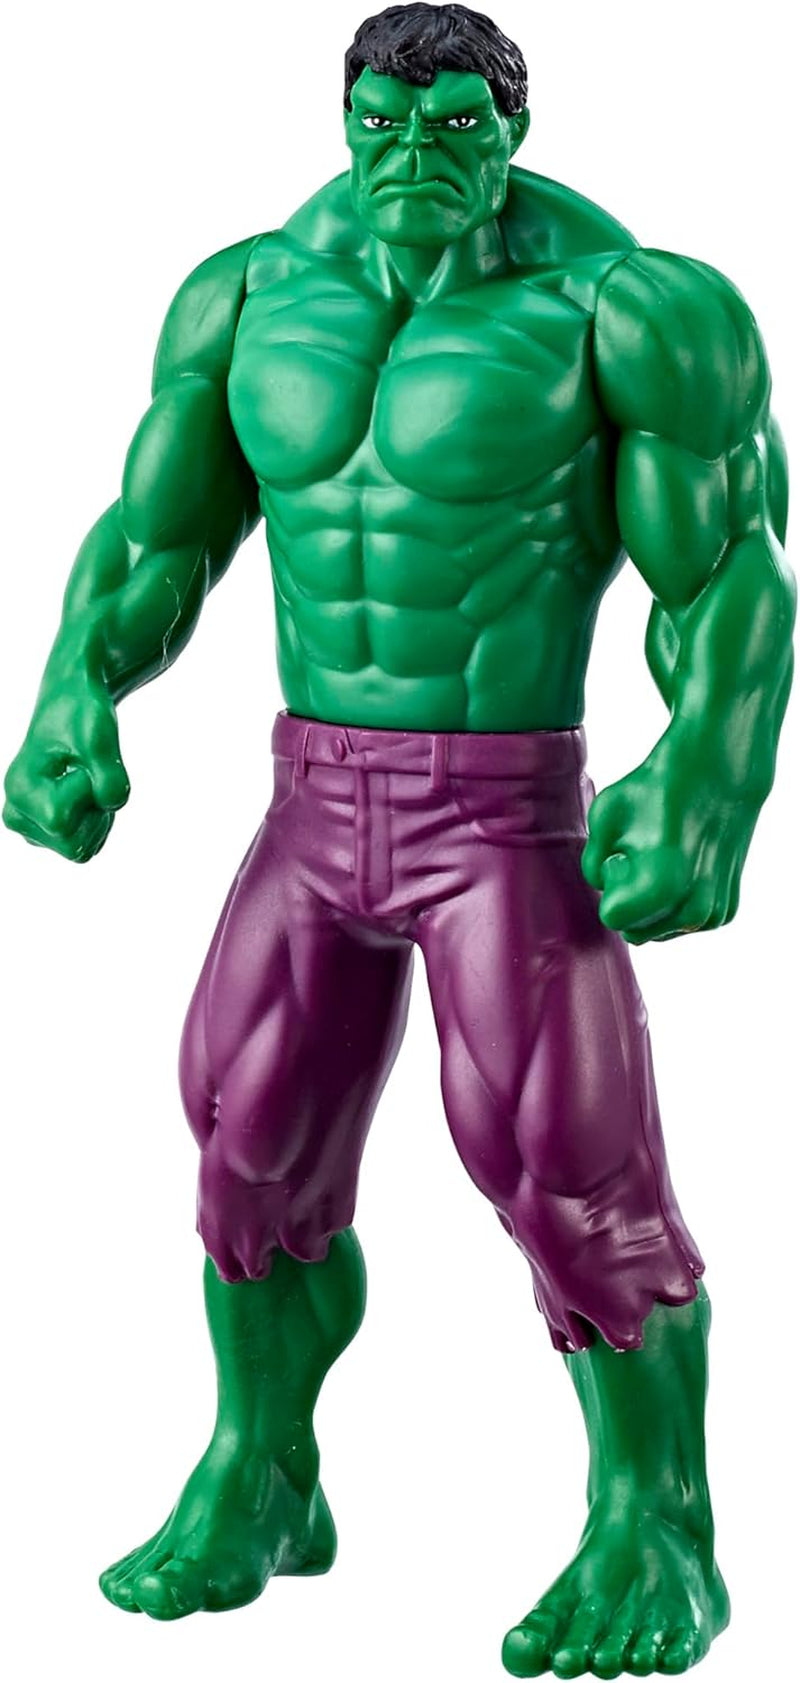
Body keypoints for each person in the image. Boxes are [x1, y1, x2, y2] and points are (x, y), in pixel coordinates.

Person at [4, 4, 793, 1674]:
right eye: (382, 119)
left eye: (452, 122)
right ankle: (262, 1475)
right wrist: (75, 693)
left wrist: (709, 775)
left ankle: (657, 1527)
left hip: (502, 814)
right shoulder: (248, 296)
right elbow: (153, 537)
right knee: (243, 1139)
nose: (413, 152)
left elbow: (733, 571)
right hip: (310, 800)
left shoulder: (628, 310)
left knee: (570, 1169)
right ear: (344, 120)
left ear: (509, 132)